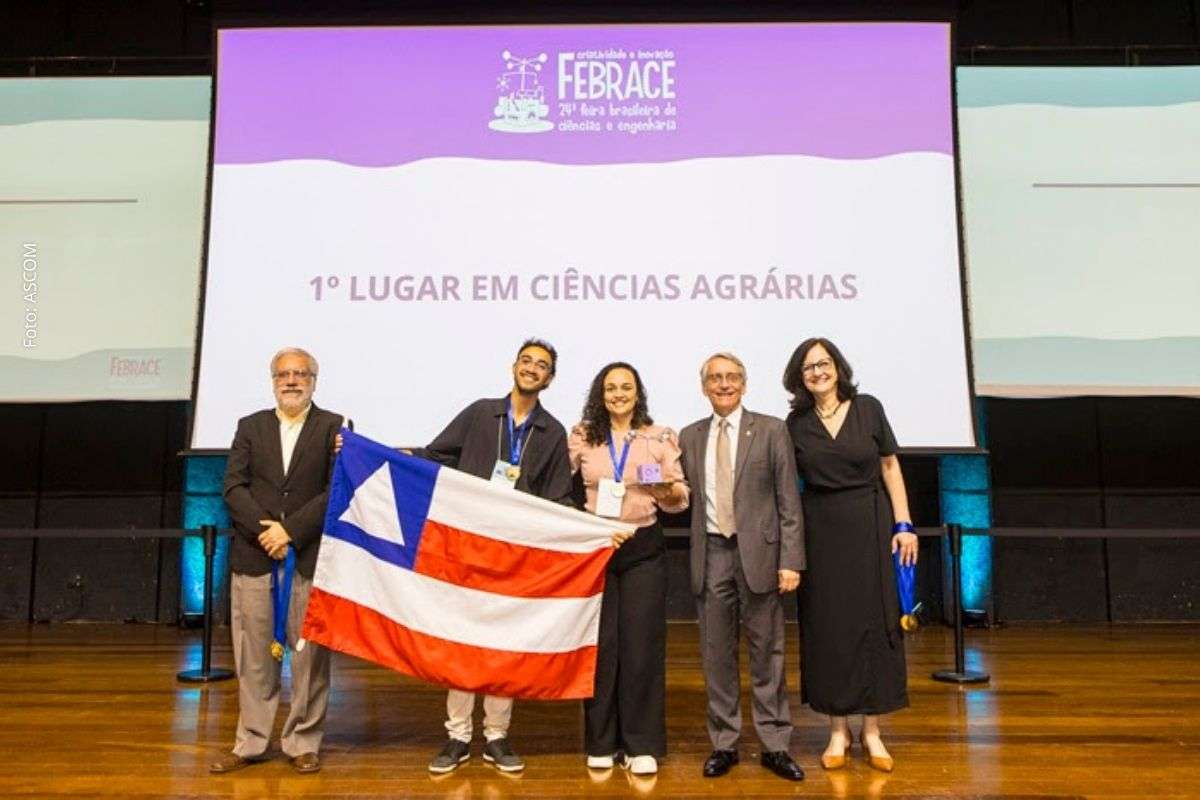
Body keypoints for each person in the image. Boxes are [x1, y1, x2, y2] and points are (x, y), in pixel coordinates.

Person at [415, 338, 573, 774]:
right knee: (464, 640)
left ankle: (498, 737)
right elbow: (436, 454)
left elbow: (559, 498)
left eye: (541, 366)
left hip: (517, 551)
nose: (532, 369)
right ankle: (457, 736)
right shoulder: (482, 413)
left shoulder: (553, 431)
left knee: (504, 643)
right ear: (514, 367)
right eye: (527, 361)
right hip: (469, 544)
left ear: (549, 379)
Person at [782, 337, 918, 774]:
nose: (817, 372)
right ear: (799, 377)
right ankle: (838, 731)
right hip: (821, 530)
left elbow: (890, 467)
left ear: (838, 367)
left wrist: (904, 524)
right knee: (830, 628)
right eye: (808, 367)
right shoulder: (796, 422)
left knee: (875, 624)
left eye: (823, 363)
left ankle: (873, 732)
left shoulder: (869, 407)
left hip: (872, 523)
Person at [209, 347, 347, 775]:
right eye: (283, 374)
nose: (291, 380)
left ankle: (303, 742)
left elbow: (337, 489)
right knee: (253, 657)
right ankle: (250, 742)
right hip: (254, 558)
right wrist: (267, 531)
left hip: (309, 561)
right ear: (273, 381)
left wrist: (291, 531)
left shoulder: (334, 427)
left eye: (300, 373)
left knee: (309, 660)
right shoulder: (250, 427)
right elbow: (234, 486)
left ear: (313, 380)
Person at [679, 352, 807, 782]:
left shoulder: (771, 430)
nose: (724, 384)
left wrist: (791, 560)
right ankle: (724, 743)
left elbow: (789, 501)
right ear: (704, 387)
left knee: (767, 653)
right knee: (716, 654)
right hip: (711, 552)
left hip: (762, 558)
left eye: (732, 377)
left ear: (745, 383)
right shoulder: (689, 436)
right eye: (715, 378)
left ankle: (774, 743)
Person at [567, 362, 688, 776]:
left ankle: (641, 745)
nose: (618, 394)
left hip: (643, 549)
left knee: (641, 648)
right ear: (600, 394)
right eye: (611, 387)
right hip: (595, 549)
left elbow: (680, 497)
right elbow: (563, 490)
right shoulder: (583, 436)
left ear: (638, 393)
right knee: (601, 648)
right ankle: (601, 741)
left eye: (626, 387)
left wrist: (665, 489)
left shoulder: (659, 437)